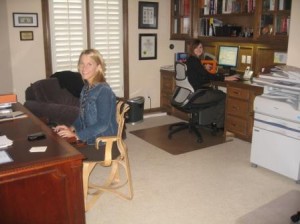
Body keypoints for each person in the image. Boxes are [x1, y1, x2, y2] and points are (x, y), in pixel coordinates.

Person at [53, 49, 117, 145]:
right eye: (82, 63)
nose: (84, 68)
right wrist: (71, 128)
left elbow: (103, 124)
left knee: (65, 154)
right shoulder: (86, 88)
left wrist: (77, 135)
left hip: (103, 144)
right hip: (90, 139)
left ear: (98, 67)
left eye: (89, 64)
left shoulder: (103, 90)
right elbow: (83, 116)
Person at [185, 39, 239, 129]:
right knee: (223, 96)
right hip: (197, 95)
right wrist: (226, 78)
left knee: (215, 93)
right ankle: (218, 125)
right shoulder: (195, 61)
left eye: (201, 47)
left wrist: (204, 68)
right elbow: (208, 76)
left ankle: (211, 121)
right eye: (196, 47)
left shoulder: (191, 60)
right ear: (192, 49)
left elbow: (200, 74)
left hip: (191, 94)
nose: (199, 49)